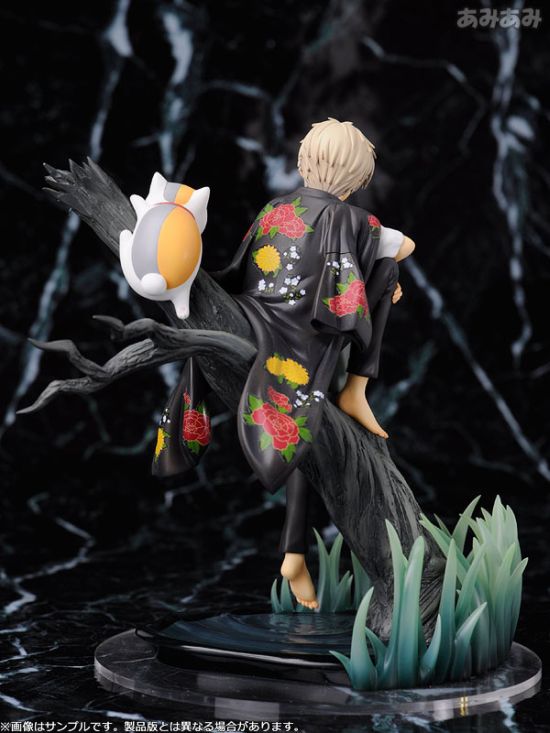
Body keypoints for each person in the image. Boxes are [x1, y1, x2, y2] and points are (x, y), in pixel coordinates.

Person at [154, 118, 416, 609]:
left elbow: (245, 267)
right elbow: (405, 246)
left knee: (301, 429)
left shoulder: (275, 207)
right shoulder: (357, 219)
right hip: (301, 335)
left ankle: (293, 551)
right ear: (359, 178)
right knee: (388, 268)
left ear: (303, 162)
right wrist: (380, 278)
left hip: (255, 316)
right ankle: (357, 388)